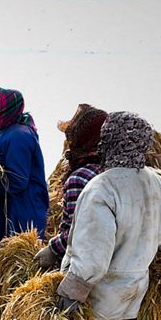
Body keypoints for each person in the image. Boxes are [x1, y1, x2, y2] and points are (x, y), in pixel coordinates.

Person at [55, 111, 161, 320]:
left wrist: (70, 293)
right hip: (135, 290)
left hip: (100, 295)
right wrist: (156, 265)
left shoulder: (102, 187)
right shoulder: (158, 183)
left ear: (107, 141)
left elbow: (93, 258)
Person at [34, 104, 108, 270]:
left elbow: (79, 230)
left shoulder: (79, 178)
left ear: (83, 138)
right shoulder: (110, 172)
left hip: (80, 265)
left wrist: (52, 249)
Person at [0, 87, 48, 238]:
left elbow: (17, 180)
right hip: (12, 208)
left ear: (8, 107)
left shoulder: (19, 136)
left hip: (23, 212)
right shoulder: (7, 132)